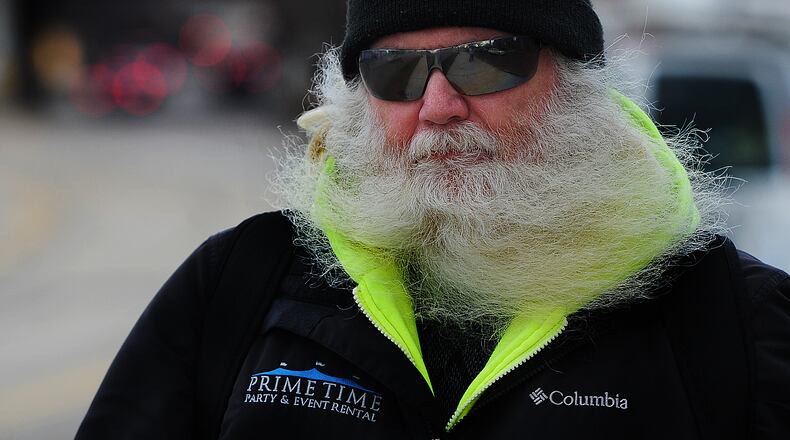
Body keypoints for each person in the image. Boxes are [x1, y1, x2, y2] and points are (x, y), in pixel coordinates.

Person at [76, 0, 790, 439]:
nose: (440, 105)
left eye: (486, 63)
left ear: (574, 85)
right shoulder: (236, 284)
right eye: (397, 74)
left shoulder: (731, 317)